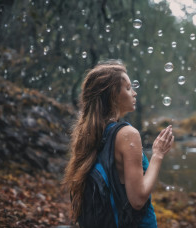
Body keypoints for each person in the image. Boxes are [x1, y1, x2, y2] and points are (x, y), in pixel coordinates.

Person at [62, 60, 174, 227]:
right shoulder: (128, 135)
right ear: (113, 95)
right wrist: (158, 154)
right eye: (128, 88)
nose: (134, 93)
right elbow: (137, 199)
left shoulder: (91, 133)